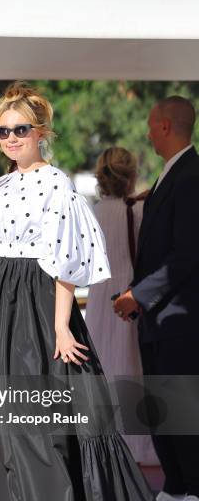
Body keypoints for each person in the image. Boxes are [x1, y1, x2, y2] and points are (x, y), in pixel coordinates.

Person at [0, 82, 186, 501]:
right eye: (2, 131)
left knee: (42, 425)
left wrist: (59, 325)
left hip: (35, 308)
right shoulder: (2, 184)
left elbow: (64, 262)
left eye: (20, 129)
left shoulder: (57, 184)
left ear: (40, 131)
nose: (11, 137)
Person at [114, 96, 199, 501]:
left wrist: (138, 295)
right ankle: (177, 486)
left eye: (151, 125)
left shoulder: (191, 177)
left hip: (181, 319)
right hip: (159, 319)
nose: (147, 133)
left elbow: (186, 256)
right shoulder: (173, 175)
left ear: (166, 126)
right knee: (164, 406)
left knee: (183, 405)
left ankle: (196, 491)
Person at [85, 147, 158, 465]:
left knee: (104, 364)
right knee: (133, 367)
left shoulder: (94, 211)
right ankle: (139, 444)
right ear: (130, 177)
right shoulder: (139, 212)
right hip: (128, 295)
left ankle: (105, 440)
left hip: (101, 296)